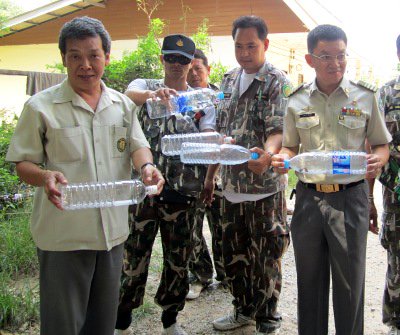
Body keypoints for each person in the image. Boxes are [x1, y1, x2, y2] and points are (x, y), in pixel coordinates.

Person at [5, 16, 164, 335]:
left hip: (111, 233)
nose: (85, 64)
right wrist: (44, 176)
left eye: (93, 55)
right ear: (64, 58)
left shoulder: (121, 105)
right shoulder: (41, 107)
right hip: (64, 235)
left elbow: (137, 146)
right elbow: (23, 164)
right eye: (75, 55)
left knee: (101, 324)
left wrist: (147, 167)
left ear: (107, 56)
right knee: (63, 325)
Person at [271, 24, 391, 335]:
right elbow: (289, 146)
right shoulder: (296, 100)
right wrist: (283, 159)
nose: (335, 63)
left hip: (350, 199)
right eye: (326, 56)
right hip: (309, 200)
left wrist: (380, 158)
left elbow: (380, 142)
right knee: (309, 282)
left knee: (350, 285)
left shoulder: (365, 97)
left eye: (341, 55)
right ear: (310, 60)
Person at [114, 35, 216, 335]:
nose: (176, 65)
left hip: (182, 193)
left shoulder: (201, 100)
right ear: (162, 59)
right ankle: (122, 322)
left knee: (178, 261)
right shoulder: (145, 86)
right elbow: (127, 94)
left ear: (191, 63)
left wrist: (214, 160)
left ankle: (170, 321)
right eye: (171, 58)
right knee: (133, 258)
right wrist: (154, 96)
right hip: (143, 191)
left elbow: (208, 137)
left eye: (183, 60)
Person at [203, 15, 291, 334]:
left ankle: (267, 318)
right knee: (234, 255)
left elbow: (278, 128)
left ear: (265, 44)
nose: (244, 53)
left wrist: (268, 154)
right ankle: (242, 310)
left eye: (251, 46)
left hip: (264, 187)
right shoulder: (227, 80)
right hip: (231, 187)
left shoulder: (276, 80)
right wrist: (211, 176)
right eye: (239, 46)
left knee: (266, 256)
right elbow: (219, 128)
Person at [186, 48, 227, 300]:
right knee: (193, 227)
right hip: (190, 176)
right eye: (188, 69)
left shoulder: (220, 99)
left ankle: (226, 275)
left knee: (222, 226)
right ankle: (200, 275)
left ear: (208, 70)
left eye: (197, 69)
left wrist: (213, 175)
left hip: (219, 173)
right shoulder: (179, 98)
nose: (192, 74)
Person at [370, 33, 400, 335]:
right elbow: (375, 145)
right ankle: (396, 320)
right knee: (398, 254)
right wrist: (368, 199)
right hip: (397, 192)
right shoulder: (387, 94)